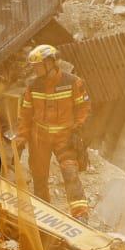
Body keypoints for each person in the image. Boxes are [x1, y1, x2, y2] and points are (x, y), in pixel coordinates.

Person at [12, 43, 92, 221]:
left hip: (65, 138)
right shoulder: (32, 86)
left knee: (70, 173)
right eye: (34, 66)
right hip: (39, 139)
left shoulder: (72, 82)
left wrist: (78, 129)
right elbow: (25, 114)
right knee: (39, 179)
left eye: (39, 65)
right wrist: (21, 137)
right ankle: (45, 216)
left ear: (51, 63)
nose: (36, 70)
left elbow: (84, 108)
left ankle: (81, 215)